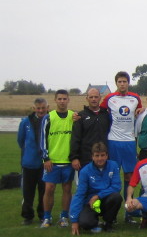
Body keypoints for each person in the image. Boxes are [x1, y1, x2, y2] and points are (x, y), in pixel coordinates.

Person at [100, 71, 142, 222]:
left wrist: (141, 110)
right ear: (116, 83)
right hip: (113, 141)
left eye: (125, 81)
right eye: (119, 82)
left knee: (129, 177)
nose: (122, 84)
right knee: (112, 176)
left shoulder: (135, 98)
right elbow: (99, 112)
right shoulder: (109, 98)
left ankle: (129, 212)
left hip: (129, 142)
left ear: (128, 83)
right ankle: (110, 214)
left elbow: (140, 112)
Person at [69, 142, 122, 234]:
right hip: (90, 203)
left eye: (102, 155)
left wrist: (98, 196)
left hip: (105, 200)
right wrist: (74, 221)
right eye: (97, 156)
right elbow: (79, 195)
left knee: (116, 197)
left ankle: (108, 223)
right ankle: (94, 221)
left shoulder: (113, 165)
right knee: (85, 224)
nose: (100, 158)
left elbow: (116, 186)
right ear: (92, 157)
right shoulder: (85, 171)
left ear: (107, 155)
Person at [39, 90, 74, 228]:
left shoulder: (73, 116)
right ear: (55, 100)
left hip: (68, 161)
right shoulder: (48, 117)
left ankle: (64, 217)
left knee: (67, 189)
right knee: (49, 189)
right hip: (52, 161)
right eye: (59, 99)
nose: (62, 101)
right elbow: (42, 139)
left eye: (64, 98)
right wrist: (46, 158)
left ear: (68, 100)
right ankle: (47, 217)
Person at [17, 97, 47, 225]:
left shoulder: (50, 120)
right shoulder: (25, 122)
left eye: (43, 108)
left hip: (45, 163)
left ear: (47, 108)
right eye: (38, 108)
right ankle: (28, 216)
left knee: (43, 192)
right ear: (34, 108)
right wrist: (28, 153)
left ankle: (42, 215)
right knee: (28, 192)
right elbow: (20, 140)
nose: (40, 110)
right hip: (29, 163)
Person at [70, 87, 111, 169]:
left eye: (96, 97)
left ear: (100, 98)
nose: (93, 99)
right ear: (87, 98)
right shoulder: (80, 116)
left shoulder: (106, 115)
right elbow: (75, 138)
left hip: (104, 158)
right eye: (91, 97)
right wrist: (74, 158)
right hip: (86, 158)